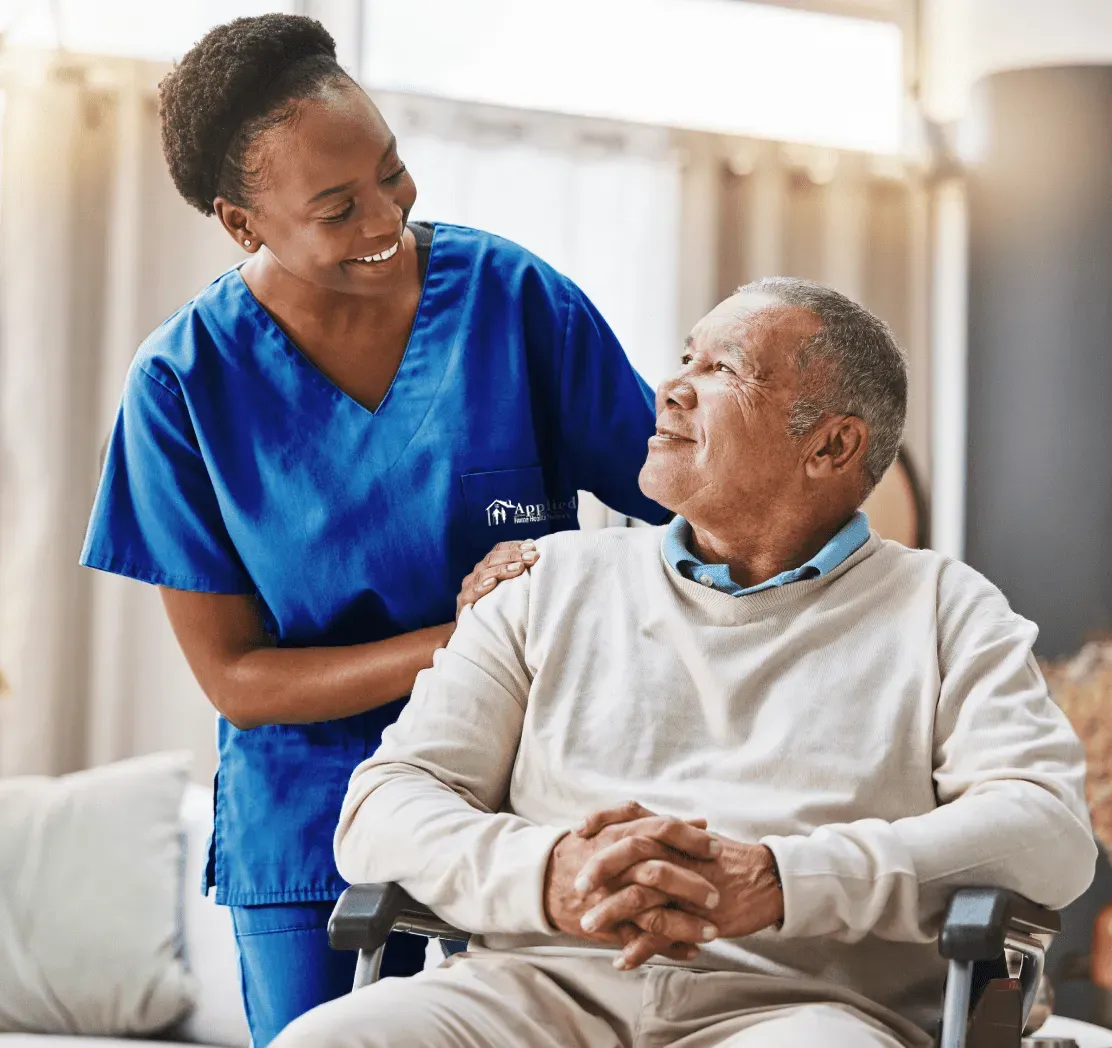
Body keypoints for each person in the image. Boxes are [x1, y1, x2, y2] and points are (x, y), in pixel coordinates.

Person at [274, 278, 1096, 1048]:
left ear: (832, 445)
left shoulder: (947, 608)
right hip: (535, 988)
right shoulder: (546, 580)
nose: (672, 389)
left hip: (800, 1010)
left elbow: (1047, 831)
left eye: (725, 370)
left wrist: (781, 878)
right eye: (685, 360)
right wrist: (550, 871)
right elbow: (383, 805)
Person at [78, 13, 667, 1047]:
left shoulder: (511, 301)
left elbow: (686, 509)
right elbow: (236, 681)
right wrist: (467, 639)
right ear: (240, 221)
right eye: (337, 206)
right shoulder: (181, 386)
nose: (385, 215)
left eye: (392, 172)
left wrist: (569, 576)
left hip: (526, 800)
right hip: (312, 822)